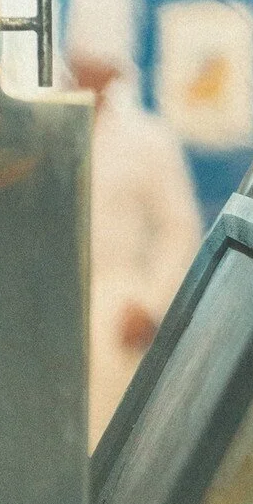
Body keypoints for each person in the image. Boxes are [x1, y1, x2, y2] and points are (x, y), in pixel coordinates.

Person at [69, 43, 203, 445]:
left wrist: (150, 303)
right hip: (53, 303)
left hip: (118, 309)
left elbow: (180, 229)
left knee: (108, 437)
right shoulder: (41, 130)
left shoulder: (148, 138)